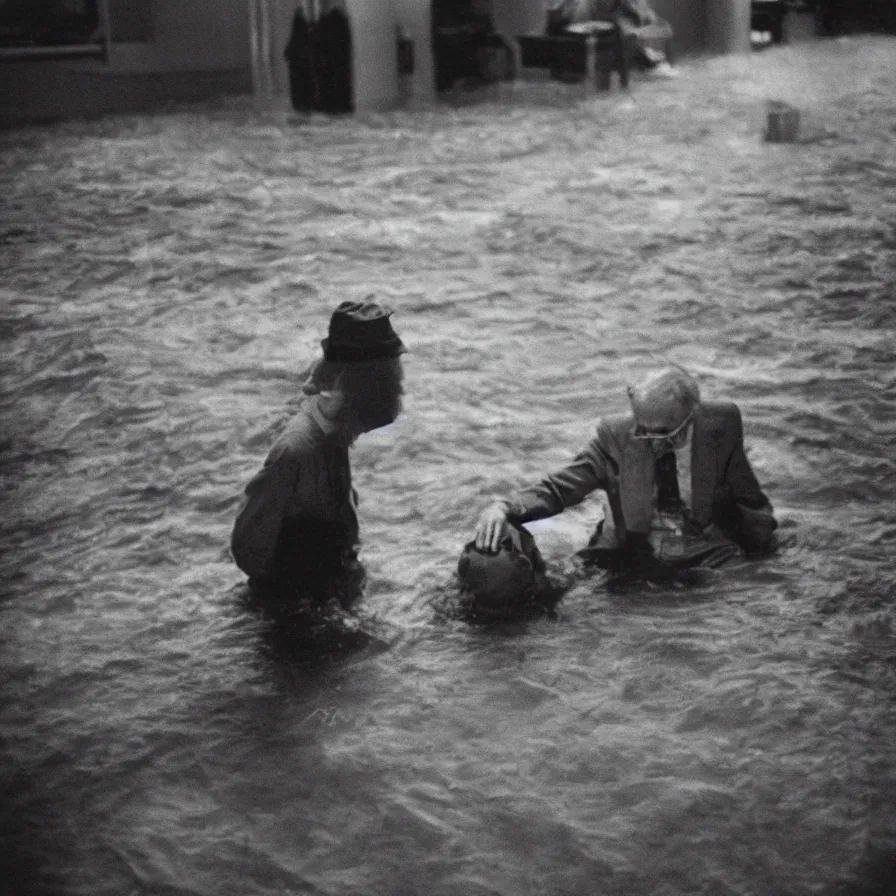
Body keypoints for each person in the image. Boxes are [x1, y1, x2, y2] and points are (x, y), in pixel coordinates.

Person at [474, 366, 777, 579]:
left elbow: (748, 497)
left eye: (660, 433)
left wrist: (763, 552)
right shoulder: (616, 436)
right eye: (641, 429)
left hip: (705, 550)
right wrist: (504, 507)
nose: (648, 441)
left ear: (691, 417)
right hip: (631, 552)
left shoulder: (721, 424)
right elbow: (559, 489)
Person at [231, 300, 405, 600]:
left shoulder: (334, 434)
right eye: (390, 380)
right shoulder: (297, 451)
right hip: (294, 613)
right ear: (365, 385)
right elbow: (248, 545)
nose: (398, 390)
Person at [547, 0, 678, 78]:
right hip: (583, 29)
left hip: (616, 25)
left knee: (635, 30)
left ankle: (648, 60)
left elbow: (644, 17)